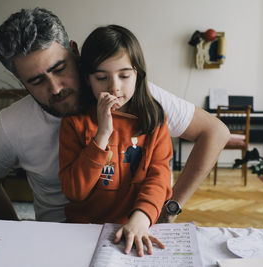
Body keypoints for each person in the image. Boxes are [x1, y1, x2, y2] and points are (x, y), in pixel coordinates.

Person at [0, 7, 229, 222]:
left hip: (135, 227)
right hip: (62, 234)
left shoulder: (135, 97)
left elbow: (215, 132)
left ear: (75, 52)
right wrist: (16, 231)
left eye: (60, 68)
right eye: (37, 80)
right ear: (21, 81)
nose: (56, 88)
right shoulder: (11, 124)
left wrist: (169, 209)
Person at [59, 25, 173, 256]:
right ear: (88, 79)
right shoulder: (74, 123)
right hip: (82, 231)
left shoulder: (153, 120)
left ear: (137, 74)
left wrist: (140, 218)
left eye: (124, 75)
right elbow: (75, 191)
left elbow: (158, 178)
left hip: (134, 226)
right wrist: (102, 134)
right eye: (102, 77)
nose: (114, 87)